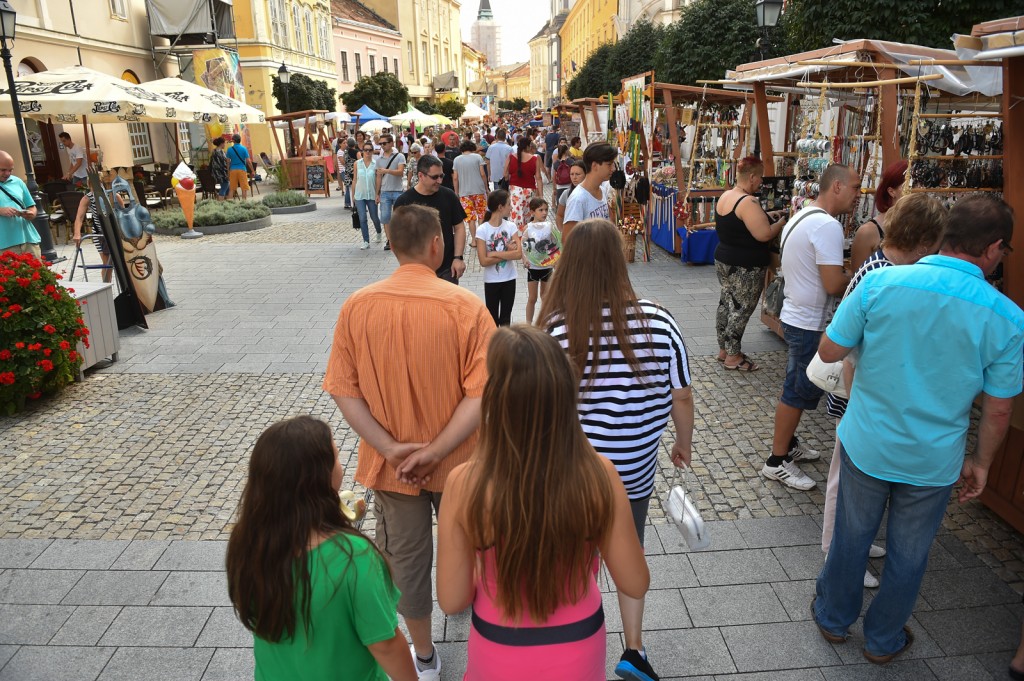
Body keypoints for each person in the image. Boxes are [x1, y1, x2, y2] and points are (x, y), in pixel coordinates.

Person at [812, 194, 1024, 664]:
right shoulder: (1008, 318)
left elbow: (828, 351)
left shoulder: (880, 283)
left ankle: (833, 618)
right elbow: (998, 410)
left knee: (851, 535)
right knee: (910, 553)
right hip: (934, 457)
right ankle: (883, 639)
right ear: (993, 247)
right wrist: (981, 464)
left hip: (869, 440)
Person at [324, 204, 495, 681]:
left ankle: (424, 656)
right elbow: (482, 393)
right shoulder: (466, 308)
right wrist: (436, 451)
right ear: (437, 245)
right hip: (461, 462)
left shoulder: (357, 306)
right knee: (478, 545)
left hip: (392, 467)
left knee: (405, 560)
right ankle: (485, 631)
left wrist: (389, 447)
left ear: (392, 245)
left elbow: (343, 388)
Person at [436, 325, 650, 681]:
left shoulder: (464, 483)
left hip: (497, 645)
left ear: (494, 400)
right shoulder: (599, 475)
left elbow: (451, 600)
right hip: (578, 642)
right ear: (565, 397)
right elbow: (635, 582)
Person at [539, 218, 694, 681]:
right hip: (634, 473)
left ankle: (574, 640)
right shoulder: (660, 322)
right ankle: (634, 649)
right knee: (631, 555)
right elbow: (681, 396)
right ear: (619, 260)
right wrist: (682, 444)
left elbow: (542, 408)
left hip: (575, 475)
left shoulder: (556, 329)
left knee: (576, 559)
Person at [225, 416, 417, 681]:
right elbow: (385, 644)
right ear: (320, 477)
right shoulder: (355, 557)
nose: (341, 464)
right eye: (336, 457)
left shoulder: (247, 541)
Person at [820, 193, 947, 589]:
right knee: (843, 477)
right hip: (857, 394)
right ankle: (838, 550)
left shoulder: (884, 266)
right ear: (924, 241)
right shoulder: (880, 272)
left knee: (851, 477)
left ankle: (851, 545)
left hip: (862, 393)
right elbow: (847, 349)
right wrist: (857, 401)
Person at [761, 164, 858, 491]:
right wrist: (859, 277)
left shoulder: (802, 215)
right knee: (796, 390)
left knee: (798, 387)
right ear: (837, 187)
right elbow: (832, 283)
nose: (859, 195)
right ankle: (776, 461)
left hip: (796, 314)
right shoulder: (827, 226)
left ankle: (788, 445)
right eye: (856, 187)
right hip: (808, 321)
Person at [713, 156, 787, 372]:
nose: (762, 182)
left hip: (725, 259)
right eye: (761, 177)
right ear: (752, 177)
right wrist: (781, 223)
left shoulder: (727, 195)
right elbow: (764, 234)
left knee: (726, 304)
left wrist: (768, 215)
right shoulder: (748, 202)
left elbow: (741, 222)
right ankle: (733, 357)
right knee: (741, 308)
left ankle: (724, 350)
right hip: (745, 266)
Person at [392, 155, 467, 283]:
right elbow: (398, 238)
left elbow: (459, 227)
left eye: (441, 176)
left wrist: (458, 258)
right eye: (434, 177)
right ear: (421, 176)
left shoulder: (449, 196)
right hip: (417, 272)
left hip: (447, 269)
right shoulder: (404, 201)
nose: (440, 181)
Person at [849, 160, 908, 272]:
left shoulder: (927, 226)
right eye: (909, 185)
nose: (917, 189)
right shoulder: (869, 231)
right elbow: (858, 278)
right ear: (892, 191)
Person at [475, 190, 520, 327]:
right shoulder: (482, 230)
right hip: (491, 280)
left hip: (509, 278)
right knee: (492, 320)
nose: (511, 207)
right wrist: (507, 253)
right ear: (500, 207)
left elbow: (518, 254)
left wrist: (493, 253)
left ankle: (505, 341)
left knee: (506, 319)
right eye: (509, 204)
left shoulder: (511, 226)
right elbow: (483, 261)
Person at [562, 142, 616, 241]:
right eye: (609, 164)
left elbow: (610, 220)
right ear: (594, 165)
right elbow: (567, 240)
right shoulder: (578, 199)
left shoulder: (602, 190)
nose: (613, 169)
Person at [521, 197, 558, 324]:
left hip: (547, 267)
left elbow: (555, 244)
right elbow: (523, 246)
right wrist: (524, 259)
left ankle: (545, 322)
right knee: (532, 298)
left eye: (546, 210)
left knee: (545, 297)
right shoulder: (528, 228)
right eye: (540, 210)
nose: (544, 213)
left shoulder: (549, 227)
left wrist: (555, 259)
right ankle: (528, 324)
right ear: (532, 212)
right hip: (533, 267)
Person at [0, 151, 40, 258]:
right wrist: (1, 210)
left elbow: (31, 206)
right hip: (4, 245)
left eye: (10, 170)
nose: (7, 173)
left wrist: (31, 213)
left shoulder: (18, 181)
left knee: (37, 268)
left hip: (28, 240)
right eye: (3, 170)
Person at [452, 140, 489, 248]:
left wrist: (456, 192)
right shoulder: (477, 157)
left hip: (464, 193)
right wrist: (486, 188)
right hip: (479, 190)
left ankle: (474, 240)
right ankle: (482, 239)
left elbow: (455, 178)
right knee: (481, 216)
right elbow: (483, 174)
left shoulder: (457, 160)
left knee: (470, 218)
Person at [503, 137, 543, 230]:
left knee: (516, 216)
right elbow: (538, 178)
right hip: (529, 191)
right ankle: (527, 235)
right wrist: (541, 196)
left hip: (515, 191)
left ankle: (516, 236)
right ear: (528, 147)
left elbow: (505, 174)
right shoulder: (535, 158)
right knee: (529, 216)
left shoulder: (511, 157)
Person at [376, 133, 407, 249]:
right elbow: (378, 177)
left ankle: (400, 238)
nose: (382, 145)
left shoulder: (399, 156)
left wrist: (387, 171)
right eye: (380, 144)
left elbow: (400, 172)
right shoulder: (379, 159)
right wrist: (377, 193)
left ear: (391, 143)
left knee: (399, 218)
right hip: (384, 192)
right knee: (385, 218)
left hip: (398, 191)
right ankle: (390, 241)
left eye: (384, 143)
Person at [354, 141, 383, 250]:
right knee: (362, 218)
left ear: (373, 151)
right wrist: (353, 195)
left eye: (370, 150)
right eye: (365, 150)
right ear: (362, 151)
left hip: (371, 194)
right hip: (359, 195)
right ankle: (366, 241)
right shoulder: (357, 163)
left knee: (374, 217)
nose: (367, 152)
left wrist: (378, 194)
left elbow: (378, 180)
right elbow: (354, 180)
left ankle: (379, 232)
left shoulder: (376, 164)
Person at [555, 161, 585, 232]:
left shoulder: (593, 192)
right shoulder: (566, 194)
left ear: (586, 174)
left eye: (577, 174)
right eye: (572, 174)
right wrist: (562, 232)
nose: (574, 177)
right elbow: (559, 215)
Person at [227, 134, 254, 200]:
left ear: (233, 141)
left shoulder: (229, 149)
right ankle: (243, 203)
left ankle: (229, 204)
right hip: (242, 169)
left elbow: (228, 162)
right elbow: (248, 161)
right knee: (244, 188)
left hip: (233, 170)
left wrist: (228, 171)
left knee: (232, 189)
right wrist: (252, 170)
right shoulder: (244, 148)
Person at [551, 142, 573, 206]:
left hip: (559, 187)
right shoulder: (571, 161)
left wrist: (554, 188)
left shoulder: (556, 163)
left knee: (560, 205)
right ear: (566, 151)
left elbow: (554, 177)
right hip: (569, 186)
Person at [343, 138, 359, 210]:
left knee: (350, 189)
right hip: (355, 172)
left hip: (347, 172)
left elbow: (344, 161)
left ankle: (352, 205)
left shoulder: (345, 152)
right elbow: (360, 161)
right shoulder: (356, 152)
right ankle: (358, 205)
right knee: (357, 188)